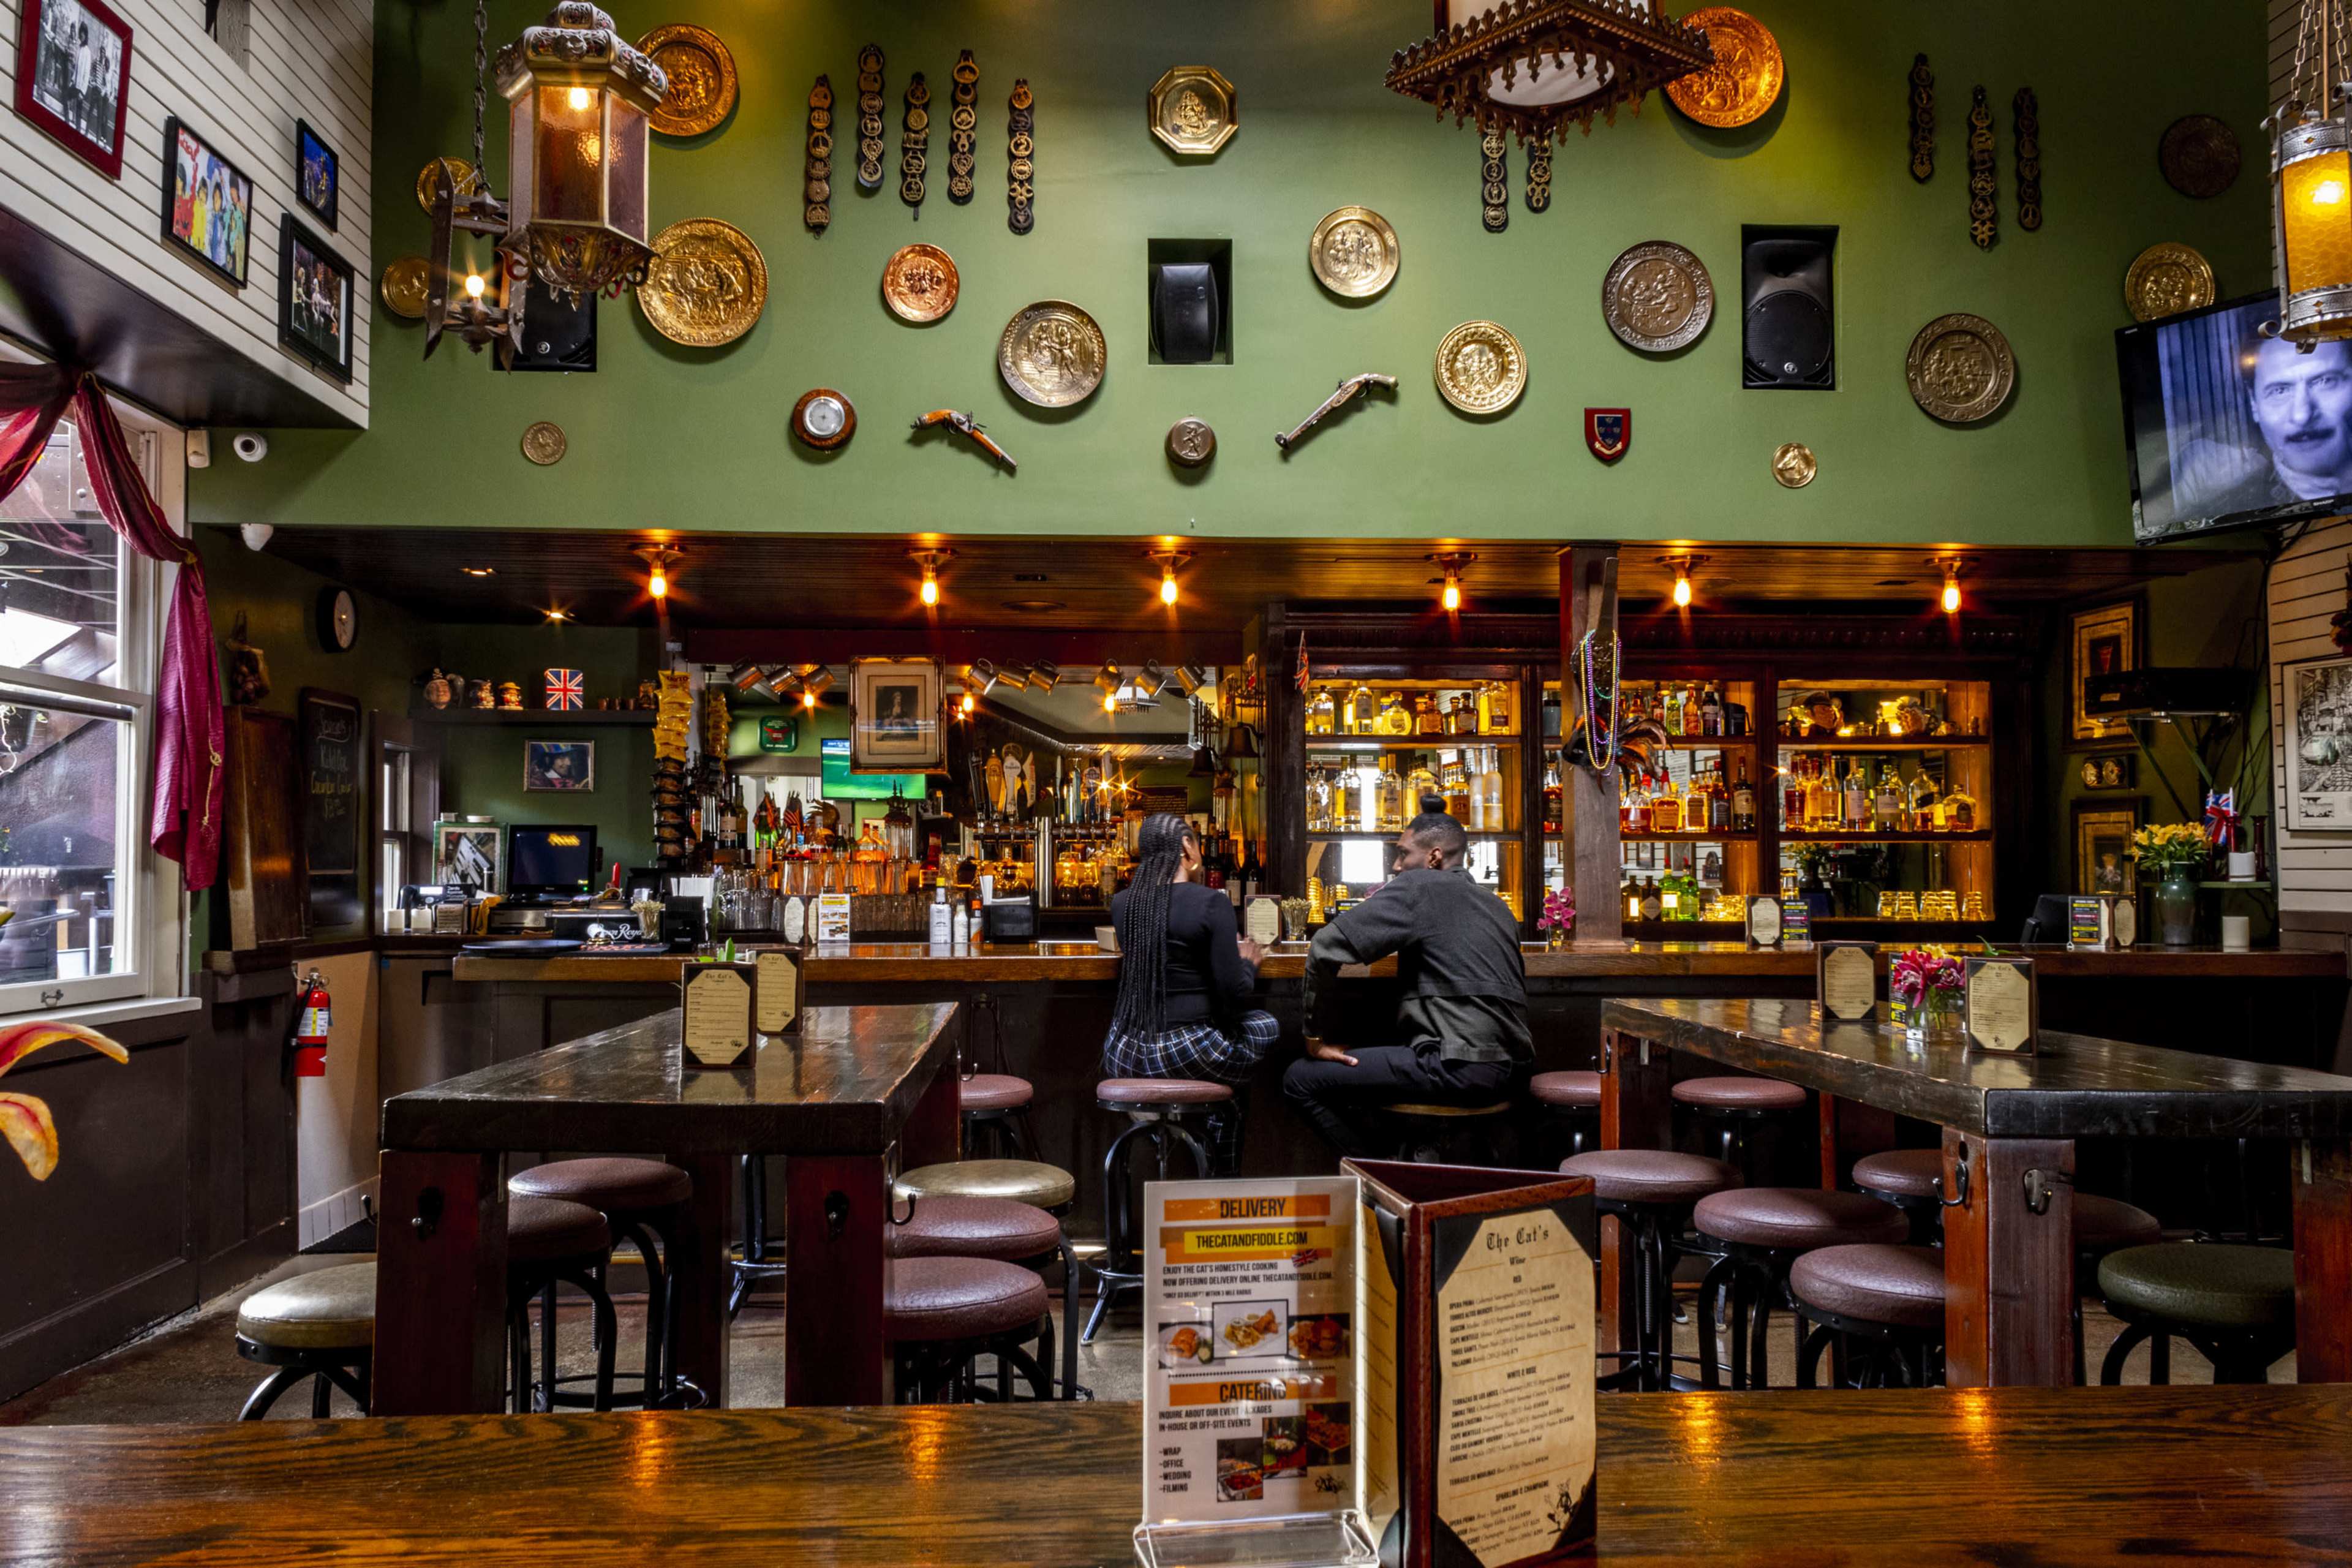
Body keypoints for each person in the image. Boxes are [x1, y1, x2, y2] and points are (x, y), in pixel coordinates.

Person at [1282, 802, 1530, 1159]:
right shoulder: (1497, 905)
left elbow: (1324, 947)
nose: (1396, 866)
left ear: (1434, 857)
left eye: (1402, 854)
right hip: (1513, 1071)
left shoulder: (1420, 885)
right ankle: (1419, 1159)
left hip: (1457, 1068)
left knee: (1299, 1080)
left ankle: (1386, 1178)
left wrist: (1314, 1039)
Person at [1101, 812, 1276, 1174]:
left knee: (1231, 1096)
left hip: (1125, 1051)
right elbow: (1234, 994)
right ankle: (1218, 1182)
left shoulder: (1123, 904)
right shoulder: (1211, 902)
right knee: (1267, 1025)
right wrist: (1249, 962)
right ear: (1187, 848)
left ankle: (1174, 1138)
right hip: (1184, 1050)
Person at [2184, 336, 2352, 516]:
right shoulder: (2228, 511)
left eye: (2325, 381)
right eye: (2280, 390)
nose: (2302, 415)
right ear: (2254, 404)